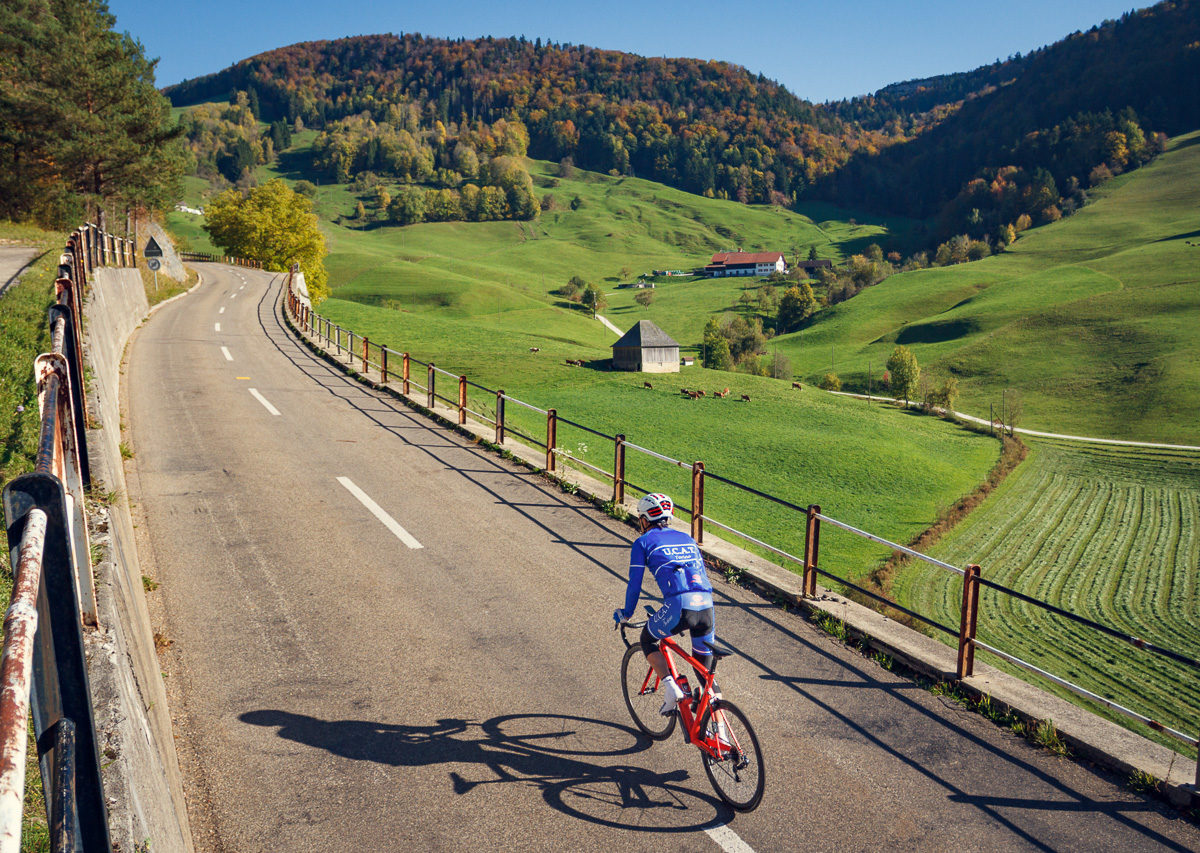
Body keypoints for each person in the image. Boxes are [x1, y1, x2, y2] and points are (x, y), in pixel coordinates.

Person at [613, 492, 716, 715]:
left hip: (680, 606)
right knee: (705, 675)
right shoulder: (688, 540)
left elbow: (634, 583)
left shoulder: (642, 542)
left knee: (648, 639)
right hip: (707, 605)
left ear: (644, 519)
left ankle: (672, 690)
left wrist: (627, 613)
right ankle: (720, 729)